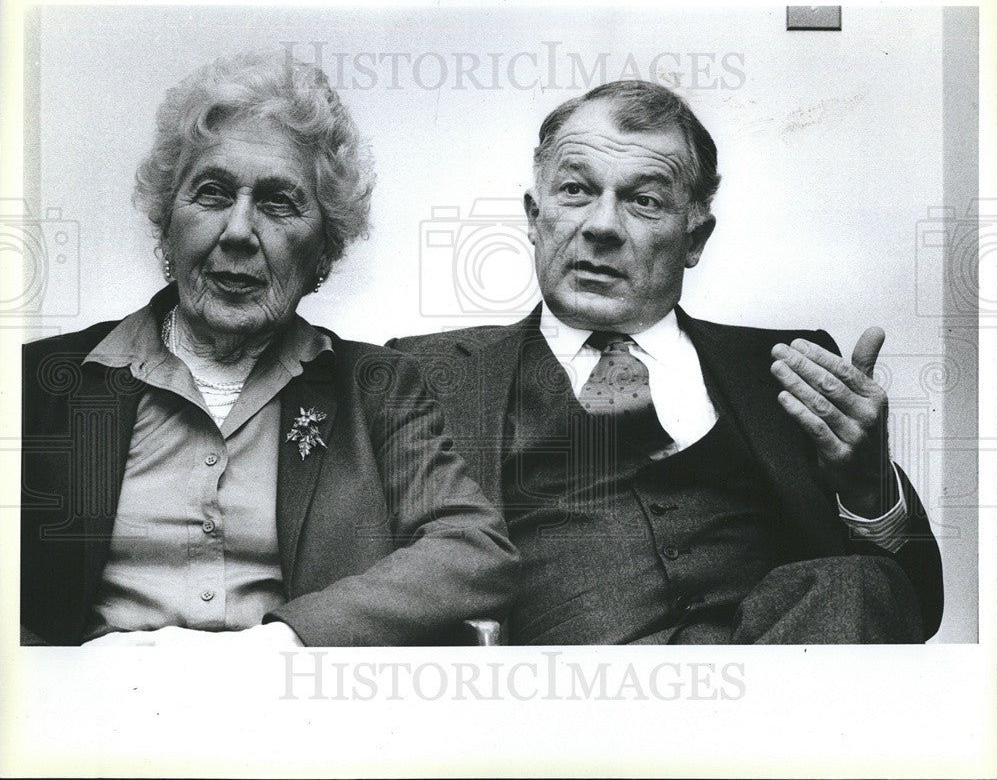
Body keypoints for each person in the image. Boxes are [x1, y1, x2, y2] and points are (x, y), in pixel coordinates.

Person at [390, 80, 944, 644]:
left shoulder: (788, 370)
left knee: (854, 585)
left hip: (782, 685)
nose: (602, 226)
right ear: (535, 217)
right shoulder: (426, 375)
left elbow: (915, 602)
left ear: (694, 239)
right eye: (577, 191)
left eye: (644, 200)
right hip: (577, 707)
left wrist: (867, 485)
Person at [20, 52, 518, 647]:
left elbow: (474, 549)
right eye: (211, 194)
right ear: (166, 223)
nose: (237, 232)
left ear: (323, 250)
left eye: (279, 202)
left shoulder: (378, 387)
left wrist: (284, 642)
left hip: (295, 719)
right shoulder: (41, 381)